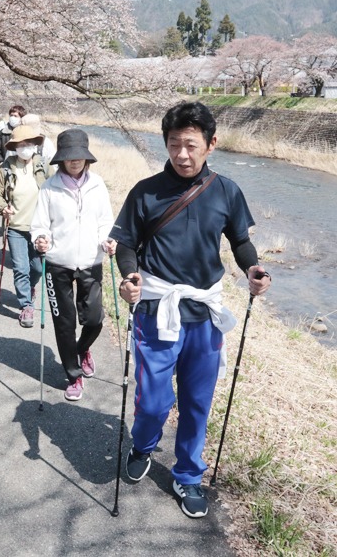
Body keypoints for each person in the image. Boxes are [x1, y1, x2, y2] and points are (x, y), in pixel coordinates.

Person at [111, 101, 271, 518]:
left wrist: (253, 267)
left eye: (191, 145)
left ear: (211, 144)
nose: (182, 154)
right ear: (165, 143)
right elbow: (126, 244)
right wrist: (130, 275)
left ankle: (187, 476)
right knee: (152, 402)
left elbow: (239, 241)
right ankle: (143, 444)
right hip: (156, 309)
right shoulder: (145, 191)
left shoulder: (226, 190)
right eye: (174, 144)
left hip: (203, 313)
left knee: (198, 401)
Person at [31, 129, 116, 401]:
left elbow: (106, 221)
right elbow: (39, 226)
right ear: (61, 160)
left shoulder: (98, 185)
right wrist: (40, 240)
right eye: (69, 157)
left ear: (86, 157)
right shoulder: (49, 188)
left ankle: (83, 348)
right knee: (64, 323)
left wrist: (108, 240)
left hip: (91, 260)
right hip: (58, 263)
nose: (75, 161)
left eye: (79, 156)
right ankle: (74, 375)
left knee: (94, 319)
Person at [0, 125, 50, 328]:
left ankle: (30, 287)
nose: (25, 148)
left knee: (37, 268)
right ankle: (26, 305)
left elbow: (53, 192)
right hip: (16, 226)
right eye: (21, 145)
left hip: (38, 228)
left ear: (35, 145)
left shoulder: (43, 166)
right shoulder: (6, 168)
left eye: (29, 144)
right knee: (20, 268)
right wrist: (3, 208)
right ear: (15, 147)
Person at [0, 105, 26, 169]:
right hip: (6, 168)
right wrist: (0, 162)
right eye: (11, 115)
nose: (12, 118)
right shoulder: (2, 133)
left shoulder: (27, 133)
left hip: (23, 168)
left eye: (15, 116)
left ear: (22, 118)